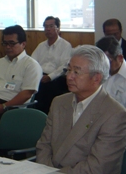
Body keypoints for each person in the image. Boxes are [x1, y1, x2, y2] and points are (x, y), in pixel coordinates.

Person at [36, 45, 126, 173]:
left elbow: (98, 167)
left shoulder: (114, 114)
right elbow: (43, 145)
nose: (69, 76)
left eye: (76, 72)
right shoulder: (59, 102)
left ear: (96, 78)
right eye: (68, 70)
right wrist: (45, 169)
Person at [0, 25, 42, 127]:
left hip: (13, 107)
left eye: (12, 43)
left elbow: (27, 93)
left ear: (23, 44)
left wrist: (4, 106)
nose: (7, 47)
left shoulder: (31, 65)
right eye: (5, 43)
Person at [32, 16, 72, 114]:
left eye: (51, 26)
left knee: (47, 90)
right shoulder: (41, 46)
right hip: (39, 77)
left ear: (58, 28)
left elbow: (64, 66)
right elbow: (32, 62)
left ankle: (46, 115)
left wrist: (49, 77)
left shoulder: (65, 45)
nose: (48, 29)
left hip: (55, 78)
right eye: (45, 27)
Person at [96, 35, 126, 107]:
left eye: (108, 62)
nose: (103, 66)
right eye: (100, 62)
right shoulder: (96, 72)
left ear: (120, 58)